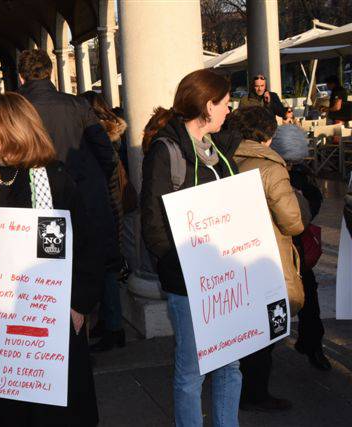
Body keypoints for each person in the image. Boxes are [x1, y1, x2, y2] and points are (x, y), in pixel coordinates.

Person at [0, 92, 99, 426]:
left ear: (13, 131)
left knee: (50, 413)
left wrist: (79, 305)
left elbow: (87, 246)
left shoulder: (56, 180)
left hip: (47, 320)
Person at [141, 69, 241, 426]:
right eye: (225, 103)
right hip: (188, 282)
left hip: (225, 277)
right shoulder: (166, 152)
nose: (230, 110)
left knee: (231, 364)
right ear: (207, 105)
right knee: (193, 370)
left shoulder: (217, 149)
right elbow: (153, 223)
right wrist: (179, 267)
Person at [17, 49, 117, 334]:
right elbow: (104, 150)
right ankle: (93, 332)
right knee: (87, 262)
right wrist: (95, 182)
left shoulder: (17, 108)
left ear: (22, 76)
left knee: (45, 269)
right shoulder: (77, 105)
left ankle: (48, 337)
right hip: (83, 195)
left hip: (38, 201)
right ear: (50, 72)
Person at [229, 107, 306, 412]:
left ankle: (238, 384)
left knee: (242, 324)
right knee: (267, 330)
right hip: (267, 260)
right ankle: (255, 393)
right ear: (268, 135)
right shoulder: (270, 168)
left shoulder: (224, 160)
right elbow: (293, 222)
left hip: (235, 258)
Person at [270, 124, 332, 371]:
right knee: (290, 297)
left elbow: (312, 206)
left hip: (294, 246)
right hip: (284, 246)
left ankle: (310, 343)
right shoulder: (278, 172)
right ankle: (304, 345)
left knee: (305, 295)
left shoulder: (300, 176)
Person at [78, 90, 127, 352]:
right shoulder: (108, 136)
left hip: (105, 210)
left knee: (107, 272)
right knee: (108, 270)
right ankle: (110, 323)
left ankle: (114, 329)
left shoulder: (97, 139)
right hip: (111, 208)